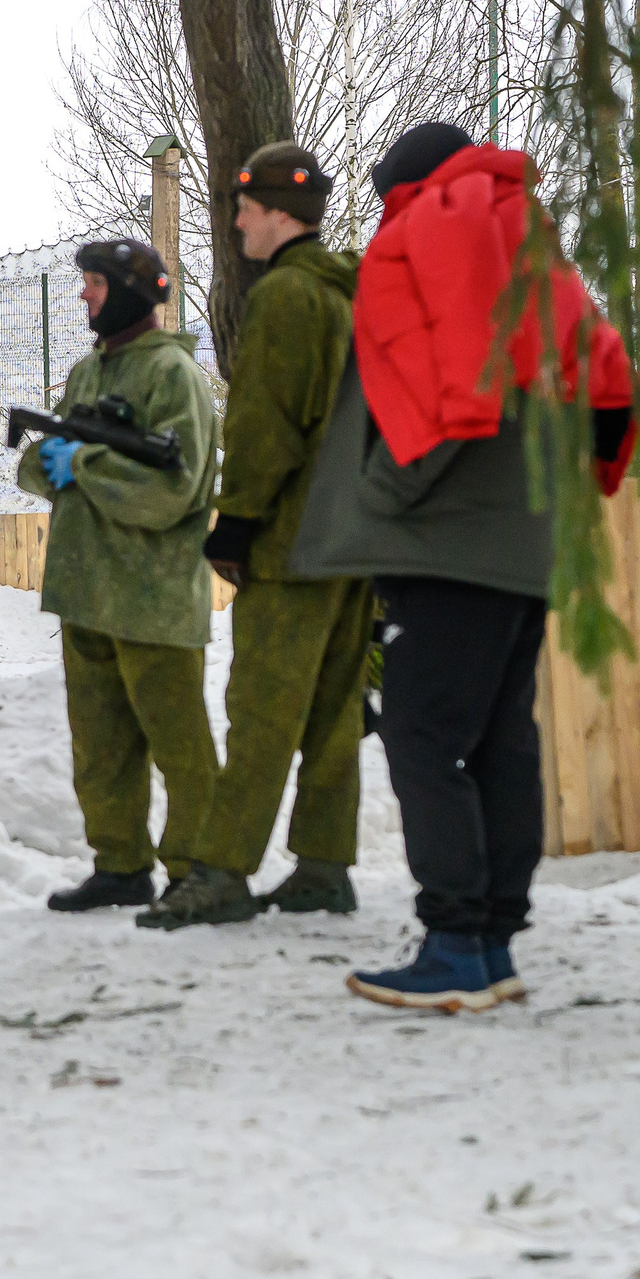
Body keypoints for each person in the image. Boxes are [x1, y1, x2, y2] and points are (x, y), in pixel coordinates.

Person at [293, 123, 633, 1012]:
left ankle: (451, 942)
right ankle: (489, 943)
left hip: (449, 540)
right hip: (528, 540)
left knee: (421, 735)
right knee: (497, 740)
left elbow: (456, 385)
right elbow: (607, 379)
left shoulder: (439, 221)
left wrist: (381, 494)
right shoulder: (529, 240)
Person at [17, 237, 226, 925]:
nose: (84, 293)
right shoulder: (88, 372)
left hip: (153, 596)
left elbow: (173, 492)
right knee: (100, 747)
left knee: (179, 746)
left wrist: (84, 467)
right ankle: (120, 865)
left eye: (97, 283)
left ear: (132, 293)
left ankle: (198, 870)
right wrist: (54, 461)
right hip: (87, 591)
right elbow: (39, 466)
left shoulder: (174, 376)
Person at [191, 143, 371, 922]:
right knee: (334, 709)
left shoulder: (283, 297)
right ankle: (324, 866)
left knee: (262, 706)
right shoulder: (351, 294)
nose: (237, 224)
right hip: (356, 535)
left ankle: (222, 872)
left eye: (245, 209)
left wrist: (235, 521)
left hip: (294, 539)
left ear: (278, 213)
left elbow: (265, 426)